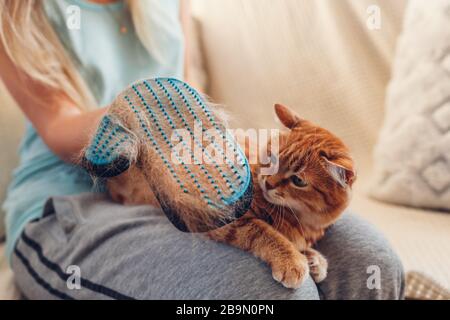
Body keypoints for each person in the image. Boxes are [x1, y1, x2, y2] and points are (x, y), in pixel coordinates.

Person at [0, 0, 404, 299]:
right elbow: (56, 126)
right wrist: (140, 112)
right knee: (269, 293)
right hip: (70, 200)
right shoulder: (19, 10)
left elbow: (189, 93)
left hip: (176, 183)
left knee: (370, 263)